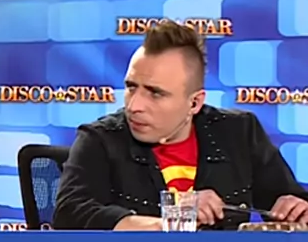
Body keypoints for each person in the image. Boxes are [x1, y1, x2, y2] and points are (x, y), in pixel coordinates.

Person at [53, 20, 308, 230]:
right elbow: (69, 214)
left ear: (194, 103)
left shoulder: (240, 132)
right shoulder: (100, 139)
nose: (134, 105)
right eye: (131, 88)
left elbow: (291, 202)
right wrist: (173, 219)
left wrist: (297, 209)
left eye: (155, 93)